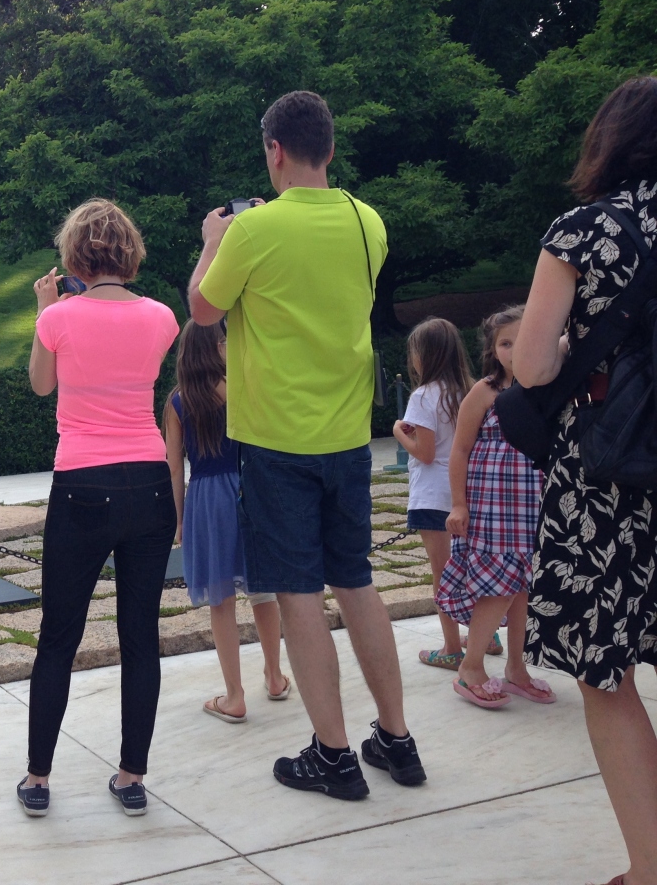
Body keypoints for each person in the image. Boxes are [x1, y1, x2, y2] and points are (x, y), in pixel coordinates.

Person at [188, 90, 425, 800]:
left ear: (275, 151)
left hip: (274, 440)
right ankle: (397, 738)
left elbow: (202, 311)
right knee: (356, 583)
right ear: (330, 147)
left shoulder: (252, 234)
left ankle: (332, 754)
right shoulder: (368, 221)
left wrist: (213, 240)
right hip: (348, 435)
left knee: (297, 594)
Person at [514, 76, 657, 885]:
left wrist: (582, 354)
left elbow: (532, 364)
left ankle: (648, 867)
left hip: (606, 479)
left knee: (608, 673)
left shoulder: (587, 230)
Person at [18, 198, 179, 818]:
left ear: (75, 254)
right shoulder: (162, 317)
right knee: (140, 637)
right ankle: (132, 775)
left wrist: (45, 310)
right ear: (128, 251)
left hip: (81, 480)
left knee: (58, 637)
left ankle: (38, 779)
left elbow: (41, 385)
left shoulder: (59, 317)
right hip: (147, 478)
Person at [164, 319, 289, 723]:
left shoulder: (178, 403)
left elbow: (173, 470)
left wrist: (179, 522)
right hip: (246, 489)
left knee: (220, 599)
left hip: (205, 499)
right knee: (263, 589)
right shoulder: (241, 387)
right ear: (217, 347)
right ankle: (274, 675)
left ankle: (234, 695)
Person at [441, 307, 553, 708]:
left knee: (523, 589)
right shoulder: (485, 392)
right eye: (506, 343)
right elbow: (460, 450)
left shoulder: (546, 388)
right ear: (493, 349)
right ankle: (471, 667)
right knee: (500, 587)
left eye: (523, 341)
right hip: (493, 508)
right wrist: (458, 504)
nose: (514, 350)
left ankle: (516, 668)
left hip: (533, 505)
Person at [393, 317, 477, 672]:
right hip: (468, 491)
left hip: (432, 496)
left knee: (441, 572)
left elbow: (424, 453)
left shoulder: (423, 395)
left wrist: (399, 431)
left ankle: (451, 646)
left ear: (424, 356)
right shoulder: (471, 389)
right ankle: (486, 634)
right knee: (474, 567)